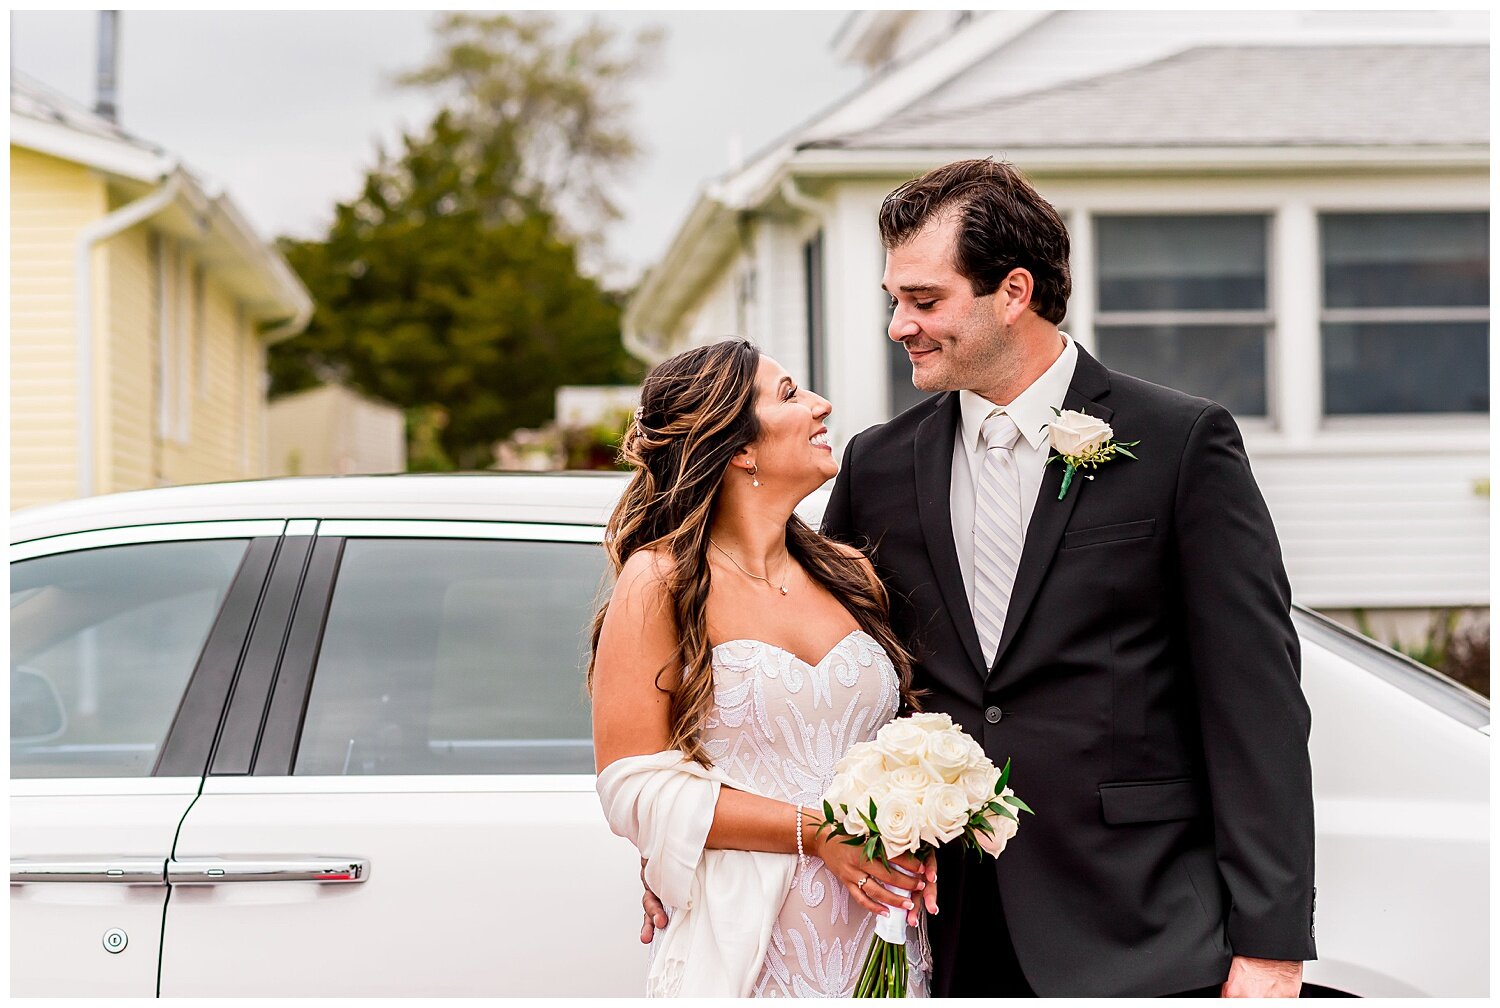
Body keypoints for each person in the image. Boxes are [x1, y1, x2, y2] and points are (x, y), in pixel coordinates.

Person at [642, 160, 1316, 997]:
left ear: (1014, 291)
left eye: (925, 301)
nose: (899, 326)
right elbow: (815, 674)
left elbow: (1257, 706)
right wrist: (684, 840)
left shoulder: (1182, 444)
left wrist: (1270, 944)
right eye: (894, 300)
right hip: (939, 924)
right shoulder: (879, 464)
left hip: (1142, 928)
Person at [589, 338, 937, 997]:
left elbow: (907, 739)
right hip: (750, 948)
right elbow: (632, 787)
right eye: (789, 395)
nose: (821, 405)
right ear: (740, 447)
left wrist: (924, 819)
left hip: (882, 938)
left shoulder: (850, 576)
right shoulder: (661, 582)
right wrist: (819, 834)